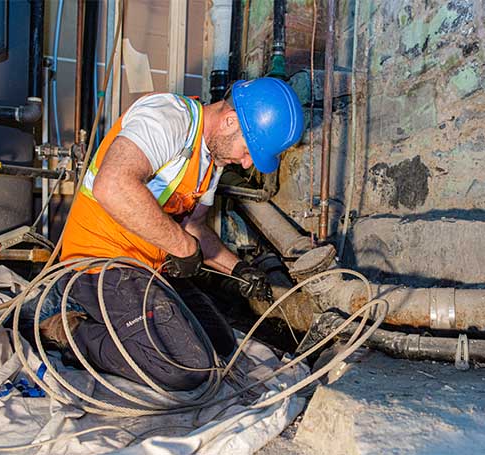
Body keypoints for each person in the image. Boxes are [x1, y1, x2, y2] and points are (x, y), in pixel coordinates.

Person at [27, 77, 304, 391]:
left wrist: (238, 268)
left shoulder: (210, 162)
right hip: (98, 264)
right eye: (248, 150)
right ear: (229, 121)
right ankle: (68, 330)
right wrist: (183, 247)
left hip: (148, 271)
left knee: (223, 345)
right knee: (185, 369)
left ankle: (127, 329)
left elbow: (193, 228)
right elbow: (112, 185)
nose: (247, 162)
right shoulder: (169, 117)